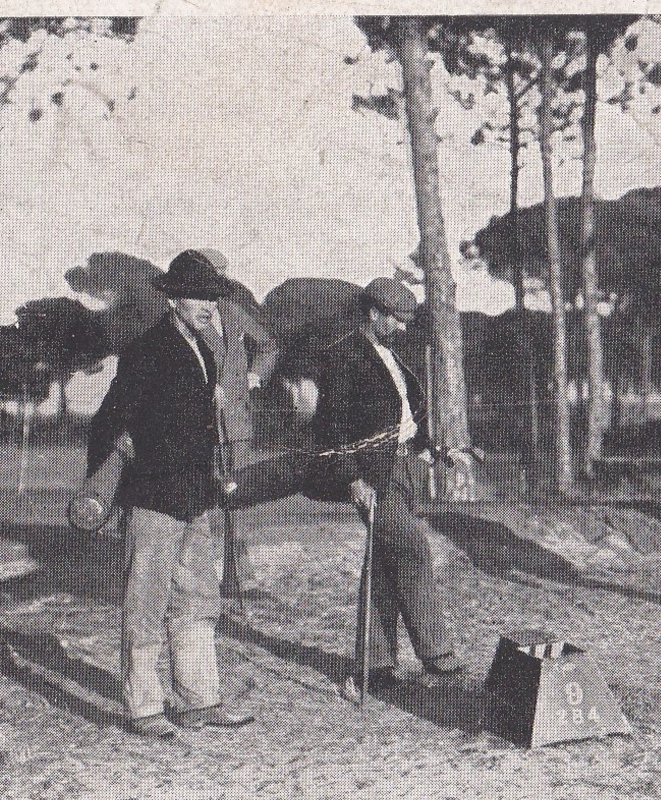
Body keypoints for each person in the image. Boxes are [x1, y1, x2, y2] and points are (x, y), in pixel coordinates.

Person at [88, 249, 256, 738]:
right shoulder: (149, 350)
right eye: (196, 296)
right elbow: (111, 419)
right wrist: (121, 471)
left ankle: (198, 701)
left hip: (197, 495)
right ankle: (143, 708)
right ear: (173, 300)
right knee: (146, 602)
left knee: (198, 600)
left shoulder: (203, 348)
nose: (207, 304)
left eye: (212, 296)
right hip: (155, 498)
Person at [306, 277, 462, 693]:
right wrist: (352, 479)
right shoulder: (343, 357)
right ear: (374, 314)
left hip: (406, 470)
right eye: (397, 319)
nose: (404, 328)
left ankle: (374, 664)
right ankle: (437, 655)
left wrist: (436, 451)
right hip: (372, 476)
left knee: (385, 560)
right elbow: (330, 427)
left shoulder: (393, 357)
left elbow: (407, 418)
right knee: (411, 546)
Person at [194, 248, 279, 595]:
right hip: (199, 425)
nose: (220, 280)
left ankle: (238, 576)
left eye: (222, 273)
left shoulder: (232, 311)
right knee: (199, 498)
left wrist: (255, 376)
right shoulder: (179, 318)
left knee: (238, 493)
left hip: (237, 423)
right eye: (214, 273)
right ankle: (198, 579)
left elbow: (269, 345)